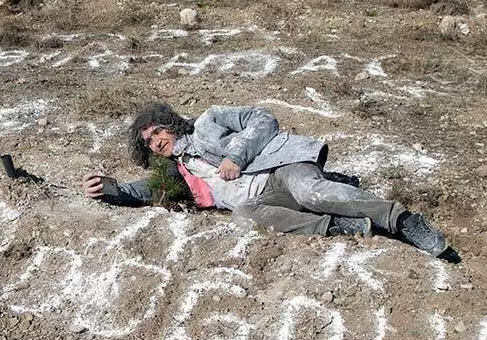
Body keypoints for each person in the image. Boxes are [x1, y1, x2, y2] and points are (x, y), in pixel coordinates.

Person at [82, 102, 448, 256]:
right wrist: (112, 189)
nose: (156, 141)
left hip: (281, 167)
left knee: (310, 190)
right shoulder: (177, 173)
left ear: (169, 122)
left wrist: (234, 155)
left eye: (156, 131)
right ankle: (341, 226)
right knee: (244, 216)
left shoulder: (209, 122)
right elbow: (146, 191)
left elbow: (263, 119)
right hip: (262, 200)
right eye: (147, 143)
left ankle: (401, 220)